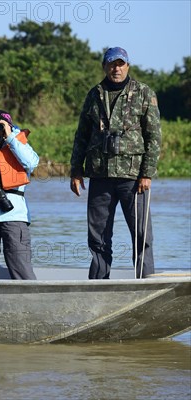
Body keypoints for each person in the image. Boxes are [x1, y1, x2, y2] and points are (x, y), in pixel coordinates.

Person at [70, 47, 162, 279]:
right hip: (100, 176)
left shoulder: (143, 92)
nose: (116, 68)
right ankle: (99, 284)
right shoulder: (94, 94)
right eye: (112, 64)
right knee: (98, 236)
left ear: (128, 66)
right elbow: (82, 135)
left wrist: (147, 173)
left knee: (142, 235)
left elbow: (154, 137)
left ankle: (144, 282)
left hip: (134, 179)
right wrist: (75, 171)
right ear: (105, 66)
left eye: (121, 64)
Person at [0, 110, 38, 280]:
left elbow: (31, 162)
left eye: (1, 125)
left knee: (20, 265)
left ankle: (30, 299)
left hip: (14, 215)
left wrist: (9, 136)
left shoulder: (18, 143)